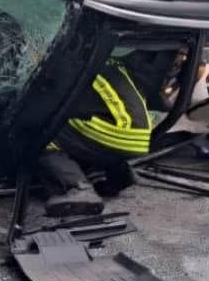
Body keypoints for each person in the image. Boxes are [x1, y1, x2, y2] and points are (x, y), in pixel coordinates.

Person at [37, 57, 153, 216]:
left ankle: (77, 188)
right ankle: (119, 177)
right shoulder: (108, 59)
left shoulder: (65, 63)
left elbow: (47, 102)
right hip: (141, 135)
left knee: (41, 136)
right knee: (84, 136)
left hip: (113, 129)